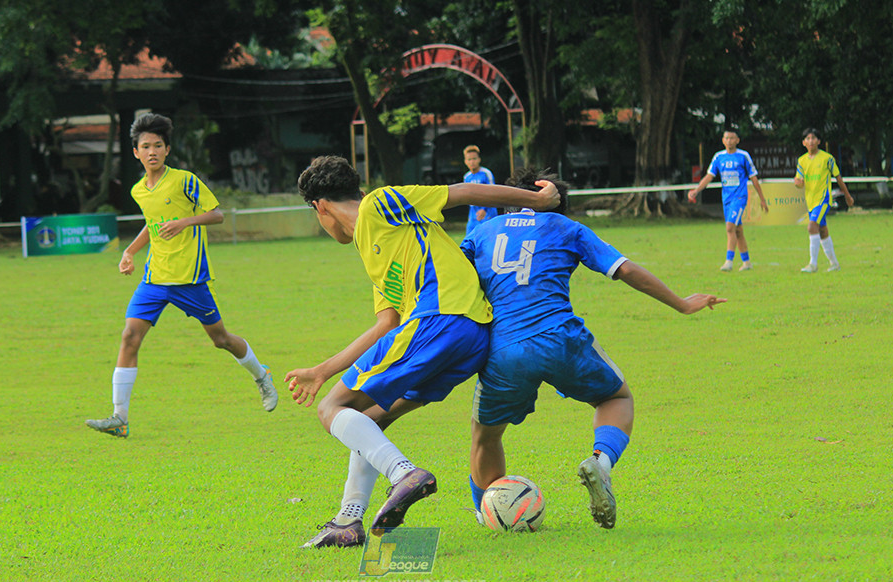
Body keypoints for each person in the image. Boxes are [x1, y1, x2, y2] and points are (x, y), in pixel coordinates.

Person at [285, 155, 559, 548]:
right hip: (468, 336)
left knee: (331, 409)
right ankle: (348, 520)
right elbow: (386, 325)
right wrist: (322, 371)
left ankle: (403, 473)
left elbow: (461, 192)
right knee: (370, 418)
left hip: (440, 319)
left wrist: (538, 201)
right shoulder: (373, 247)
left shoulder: (378, 204)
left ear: (320, 207)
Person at [462, 168, 726, 529]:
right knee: (616, 397)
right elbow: (625, 270)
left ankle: (488, 513)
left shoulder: (481, 232)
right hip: (561, 338)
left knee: (486, 435)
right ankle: (601, 463)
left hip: (503, 349)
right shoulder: (565, 227)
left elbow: (445, 281)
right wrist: (681, 303)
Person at [85, 113, 277, 439]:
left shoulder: (185, 181)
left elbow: (216, 215)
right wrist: (129, 251)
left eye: (158, 145)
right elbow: (152, 225)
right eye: (146, 146)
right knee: (129, 337)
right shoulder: (139, 190)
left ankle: (261, 375)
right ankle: (119, 418)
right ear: (136, 152)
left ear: (167, 149)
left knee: (221, 340)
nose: (152, 152)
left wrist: (185, 222)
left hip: (190, 279)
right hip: (154, 279)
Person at [688, 130, 768, 271]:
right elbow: (709, 176)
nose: (729, 140)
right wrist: (696, 190)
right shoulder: (718, 157)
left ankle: (729, 261)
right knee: (738, 230)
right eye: (727, 138)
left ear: (737, 140)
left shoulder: (743, 156)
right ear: (723, 140)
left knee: (730, 227)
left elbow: (754, 178)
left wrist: (762, 199)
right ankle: (747, 262)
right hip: (727, 199)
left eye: (732, 138)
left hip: (739, 197)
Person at [793, 128, 854, 272]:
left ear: (819, 141)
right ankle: (834, 264)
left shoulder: (827, 158)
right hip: (811, 201)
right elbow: (799, 181)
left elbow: (838, 177)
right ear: (803, 142)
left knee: (811, 226)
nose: (811, 141)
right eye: (808, 138)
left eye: (813, 138)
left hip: (823, 200)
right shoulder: (802, 161)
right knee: (822, 231)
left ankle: (813, 264)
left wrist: (847, 196)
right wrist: (798, 183)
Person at [463, 145, 497, 235]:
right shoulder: (467, 177)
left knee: (488, 238)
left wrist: (484, 209)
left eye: (474, 159)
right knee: (469, 239)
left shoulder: (486, 173)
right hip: (473, 215)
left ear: (479, 159)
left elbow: (493, 193)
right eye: (469, 159)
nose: (472, 162)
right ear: (465, 161)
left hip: (487, 212)